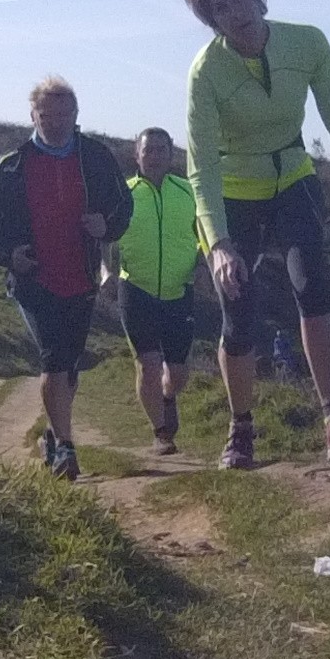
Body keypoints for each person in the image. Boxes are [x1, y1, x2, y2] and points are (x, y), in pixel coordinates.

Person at [180, 0, 330, 469]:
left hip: (293, 177)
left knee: (312, 286)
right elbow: (200, 165)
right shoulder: (205, 72)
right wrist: (219, 243)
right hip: (233, 193)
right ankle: (241, 428)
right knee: (238, 313)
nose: (235, 13)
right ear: (211, 21)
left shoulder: (307, 42)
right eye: (220, 8)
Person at [0, 76, 133, 482]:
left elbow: (123, 204)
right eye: (47, 115)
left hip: (81, 276)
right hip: (34, 279)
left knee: (69, 366)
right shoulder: (9, 165)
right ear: (33, 116)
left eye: (64, 114)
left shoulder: (95, 156)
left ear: (76, 114)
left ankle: (52, 433)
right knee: (54, 359)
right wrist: (9, 255)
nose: (56, 122)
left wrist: (107, 225)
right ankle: (65, 448)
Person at [109, 126, 204, 455]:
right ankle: (161, 433)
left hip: (179, 291)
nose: (154, 156)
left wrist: (203, 264)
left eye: (161, 149)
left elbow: (205, 232)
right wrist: (106, 273)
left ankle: (167, 396)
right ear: (136, 154)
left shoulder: (188, 191)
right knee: (148, 364)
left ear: (171, 154)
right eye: (148, 150)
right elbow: (107, 238)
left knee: (177, 372)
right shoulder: (124, 194)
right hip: (136, 288)